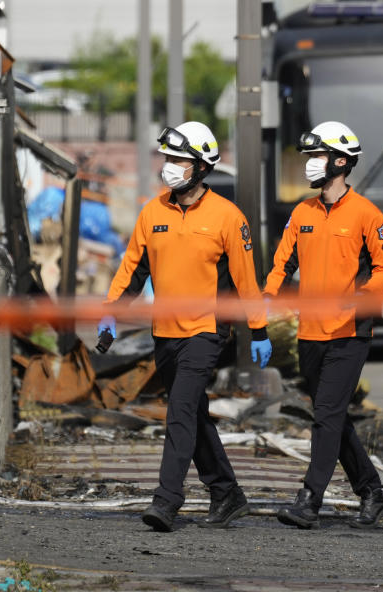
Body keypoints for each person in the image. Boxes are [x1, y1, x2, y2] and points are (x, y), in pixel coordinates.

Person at [100, 121, 272, 532]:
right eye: (168, 158)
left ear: (200, 167)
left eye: (179, 160)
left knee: (178, 411)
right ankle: (227, 493)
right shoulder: (152, 212)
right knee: (193, 414)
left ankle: (167, 500)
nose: (169, 166)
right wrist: (109, 312)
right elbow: (132, 269)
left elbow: (248, 280)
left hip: (206, 331)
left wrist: (260, 330)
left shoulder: (228, 218)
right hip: (165, 332)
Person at [263, 121, 383, 529]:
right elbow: (282, 262)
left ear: (340, 162)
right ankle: (373, 492)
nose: (310, 165)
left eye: (317, 157)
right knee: (331, 416)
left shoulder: (367, 215)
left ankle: (310, 499)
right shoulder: (301, 213)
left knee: (325, 416)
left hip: (349, 332)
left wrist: (361, 295)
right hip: (310, 332)